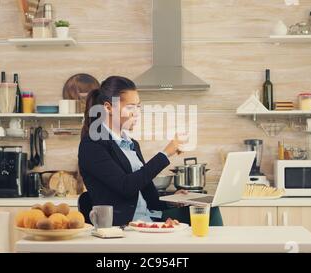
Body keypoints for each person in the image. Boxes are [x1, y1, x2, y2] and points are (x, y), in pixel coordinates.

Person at [78, 76, 223, 226]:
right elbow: (126, 187)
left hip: (151, 215)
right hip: (126, 224)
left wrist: (173, 199)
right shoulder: (92, 145)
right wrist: (165, 153)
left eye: (138, 106)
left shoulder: (131, 143)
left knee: (209, 210)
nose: (136, 113)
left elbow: (145, 191)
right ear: (108, 108)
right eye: (130, 107)